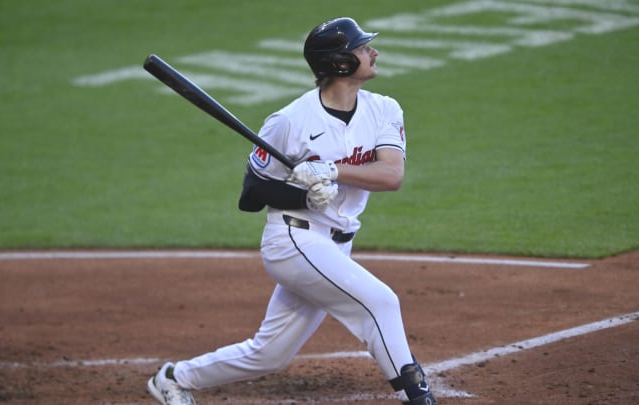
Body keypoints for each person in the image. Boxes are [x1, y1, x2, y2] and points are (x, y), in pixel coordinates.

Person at [147, 17, 436, 405]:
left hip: (335, 246)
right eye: (362, 47)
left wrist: (331, 170)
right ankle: (418, 396)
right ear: (340, 63)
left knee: (271, 353)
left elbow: (391, 175)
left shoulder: (384, 109)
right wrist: (304, 196)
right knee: (380, 302)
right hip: (293, 240)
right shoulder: (289, 122)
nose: (373, 52)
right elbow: (250, 194)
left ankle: (174, 378)